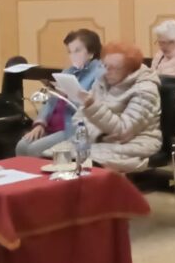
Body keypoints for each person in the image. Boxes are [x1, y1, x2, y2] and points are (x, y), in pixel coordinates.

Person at [51, 42, 162, 172]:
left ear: (130, 70)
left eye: (114, 68)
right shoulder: (102, 81)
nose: (107, 72)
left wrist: (92, 107)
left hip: (135, 142)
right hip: (101, 141)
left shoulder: (145, 89)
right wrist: (99, 136)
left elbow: (123, 131)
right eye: (105, 66)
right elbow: (78, 121)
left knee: (80, 161)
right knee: (52, 156)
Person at [16, 29, 105, 157]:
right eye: (70, 52)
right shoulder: (68, 71)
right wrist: (40, 123)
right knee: (22, 145)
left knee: (33, 149)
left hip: (73, 128)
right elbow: (50, 102)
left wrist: (69, 95)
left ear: (91, 52)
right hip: (51, 125)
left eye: (77, 51)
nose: (73, 56)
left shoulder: (100, 74)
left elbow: (93, 109)